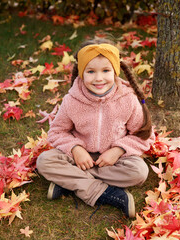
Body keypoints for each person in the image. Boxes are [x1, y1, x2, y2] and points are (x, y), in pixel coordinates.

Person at [36, 38, 153, 218]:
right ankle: (106, 193)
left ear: (115, 71)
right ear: (82, 73)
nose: (99, 78)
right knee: (44, 161)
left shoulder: (127, 100)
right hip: (79, 158)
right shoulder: (72, 101)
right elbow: (57, 131)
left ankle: (69, 181)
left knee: (139, 172)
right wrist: (75, 149)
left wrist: (118, 150)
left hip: (113, 161)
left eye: (106, 70)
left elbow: (143, 135)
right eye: (91, 71)